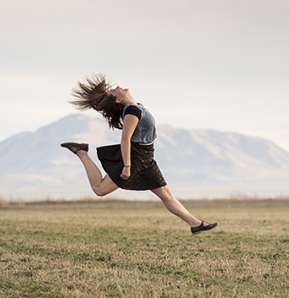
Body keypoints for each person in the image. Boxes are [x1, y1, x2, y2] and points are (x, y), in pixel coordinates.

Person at [61, 74, 217, 235]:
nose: (117, 88)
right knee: (100, 189)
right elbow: (125, 139)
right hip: (136, 157)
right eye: (114, 91)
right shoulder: (132, 111)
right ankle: (81, 153)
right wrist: (127, 166)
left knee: (165, 194)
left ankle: (196, 224)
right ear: (118, 100)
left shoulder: (136, 107)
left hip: (146, 157)